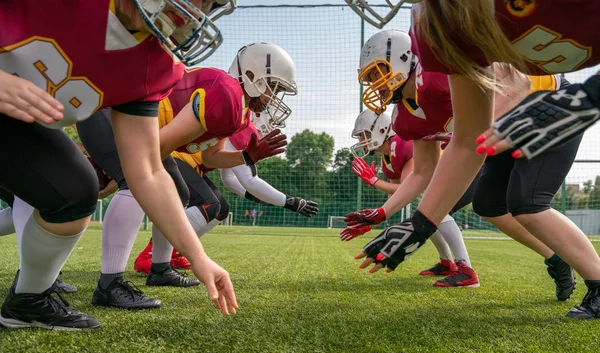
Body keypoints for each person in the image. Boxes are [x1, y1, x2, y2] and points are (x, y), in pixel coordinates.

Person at [348, 2, 600, 318]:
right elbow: (424, 171)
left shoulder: (438, 72)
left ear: (403, 59)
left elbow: (514, 86)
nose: (373, 85)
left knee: (529, 202)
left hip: (546, 105)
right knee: (489, 203)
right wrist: (402, 219)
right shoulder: (408, 115)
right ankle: (557, 257)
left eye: (377, 73)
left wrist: (591, 94)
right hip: (499, 130)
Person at [0, 0, 238, 330]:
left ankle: (27, 301)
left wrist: (199, 258)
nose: (199, 9)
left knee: (74, 191)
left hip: (15, 127)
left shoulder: (152, 63)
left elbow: (148, 170)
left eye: (211, 4)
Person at [77, 42, 296, 307]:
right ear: (251, 74)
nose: (274, 98)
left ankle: (159, 270)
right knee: (134, 179)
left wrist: (247, 157)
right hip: (114, 111)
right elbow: (154, 151)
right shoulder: (226, 94)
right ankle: (109, 284)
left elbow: (209, 157)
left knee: (178, 194)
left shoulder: (239, 110)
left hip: (137, 127)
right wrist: (118, 178)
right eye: (274, 88)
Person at [135, 111, 319, 274]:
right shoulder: (242, 124)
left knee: (221, 208)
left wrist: (251, 195)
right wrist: (291, 202)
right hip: (177, 158)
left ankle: (176, 251)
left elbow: (229, 178)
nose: (273, 123)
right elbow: (250, 180)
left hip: (190, 164)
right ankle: (151, 253)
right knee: (209, 204)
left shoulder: (242, 121)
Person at [342, 109, 476, 284]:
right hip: (451, 179)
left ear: (381, 130)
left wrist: (374, 181)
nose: (362, 141)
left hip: (465, 175)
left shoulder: (402, 143)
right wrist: (371, 222)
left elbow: (411, 187)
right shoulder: (387, 156)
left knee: (434, 212)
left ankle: (466, 268)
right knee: (428, 214)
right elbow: (396, 194)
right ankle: (447, 263)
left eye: (364, 134)